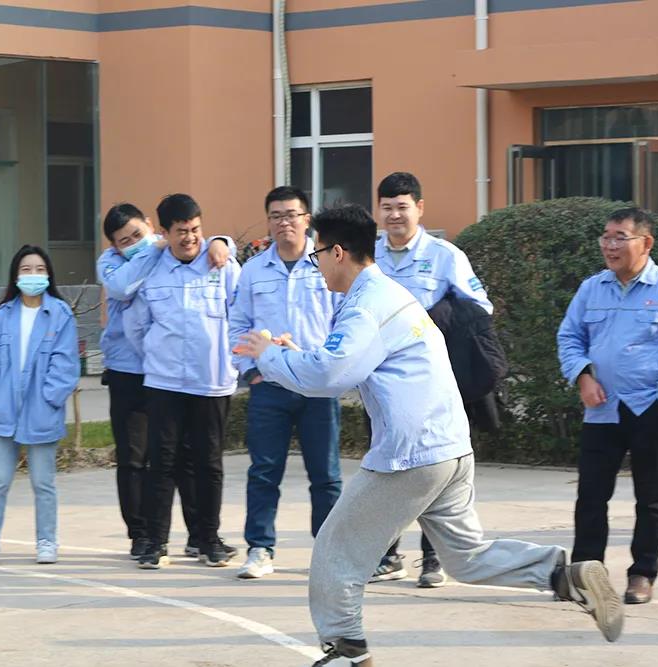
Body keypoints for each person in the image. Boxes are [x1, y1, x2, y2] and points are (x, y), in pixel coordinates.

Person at [237, 204, 623, 666]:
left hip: (411, 454)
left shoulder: (365, 306)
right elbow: (342, 362)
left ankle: (344, 651)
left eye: (317, 254)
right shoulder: (388, 295)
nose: (315, 265)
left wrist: (268, 356)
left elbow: (329, 376)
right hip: (449, 448)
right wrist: (295, 354)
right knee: (466, 557)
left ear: (337, 252)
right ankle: (564, 574)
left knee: (335, 552)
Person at [557, 207, 658, 605]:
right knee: (591, 496)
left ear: (646, 242)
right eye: (606, 237)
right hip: (601, 409)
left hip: (650, 409)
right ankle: (586, 572)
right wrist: (583, 376)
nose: (610, 245)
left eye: (620, 237)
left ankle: (642, 574)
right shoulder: (592, 289)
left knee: (651, 498)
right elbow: (569, 337)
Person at [370, 171, 495, 588]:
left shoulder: (445, 256)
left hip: (433, 386)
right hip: (384, 385)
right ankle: (387, 555)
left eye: (402, 207)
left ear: (419, 208)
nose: (394, 215)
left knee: (434, 468)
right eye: (387, 207)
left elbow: (480, 308)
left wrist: (439, 315)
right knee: (386, 468)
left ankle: (432, 558)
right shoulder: (370, 257)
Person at [97, 203, 235, 561]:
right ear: (166, 232)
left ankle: (206, 539)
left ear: (150, 226)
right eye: (181, 231)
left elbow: (241, 311)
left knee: (206, 463)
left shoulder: (219, 262)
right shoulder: (140, 267)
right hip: (157, 378)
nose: (189, 237)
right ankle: (150, 541)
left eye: (195, 230)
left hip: (210, 380)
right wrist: (160, 354)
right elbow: (136, 324)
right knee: (155, 461)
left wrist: (221, 242)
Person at [228, 186, 340, 580]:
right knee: (264, 471)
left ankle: (329, 552)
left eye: (291, 215)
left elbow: (342, 319)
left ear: (307, 219)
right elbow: (237, 324)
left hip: (317, 385)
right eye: (276, 216)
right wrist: (251, 371)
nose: (284, 223)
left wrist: (334, 369)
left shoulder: (327, 263)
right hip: (270, 385)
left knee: (325, 475)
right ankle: (259, 548)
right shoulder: (254, 270)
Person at [0, 245, 79, 565]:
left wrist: (50, 398)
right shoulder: (4, 314)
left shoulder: (59, 313)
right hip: (4, 410)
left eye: (39, 269)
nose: (33, 275)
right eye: (26, 269)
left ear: (48, 275)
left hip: (42, 411)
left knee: (43, 483)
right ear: (15, 276)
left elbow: (66, 364)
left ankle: (47, 541)